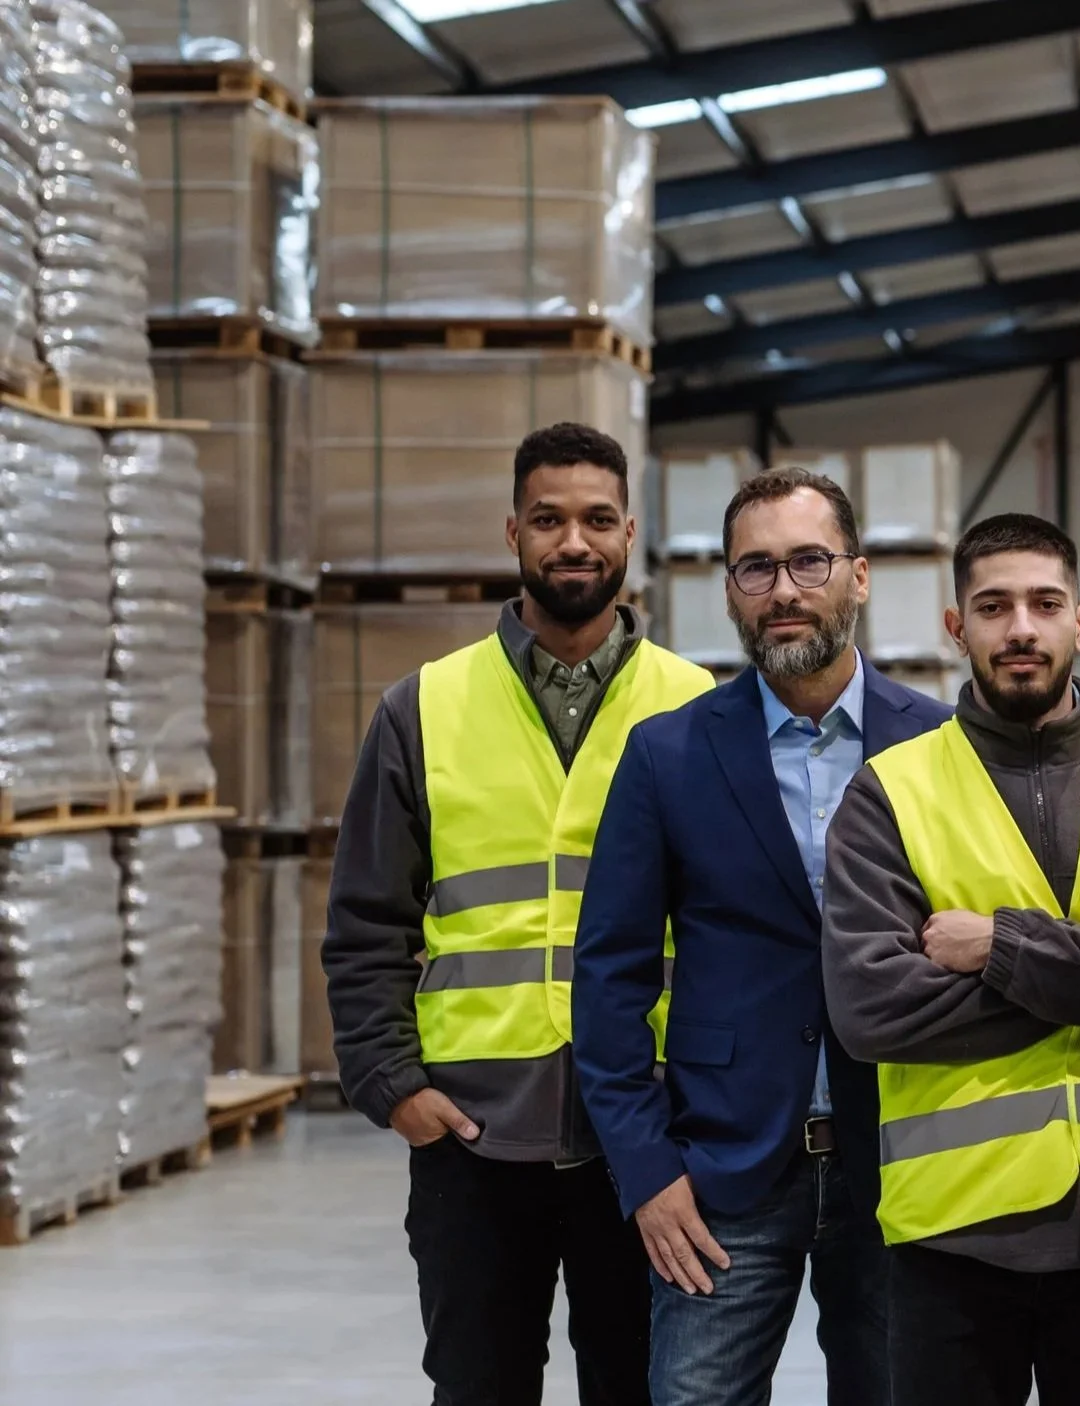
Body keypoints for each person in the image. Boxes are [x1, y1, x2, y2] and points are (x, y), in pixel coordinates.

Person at [323, 422, 717, 1405]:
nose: (572, 541)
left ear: (630, 532)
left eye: (594, 519)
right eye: (548, 519)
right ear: (513, 532)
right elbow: (366, 919)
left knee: (639, 1385)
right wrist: (390, 1082)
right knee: (478, 1386)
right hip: (471, 1135)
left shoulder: (698, 707)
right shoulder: (424, 706)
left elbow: (733, 929)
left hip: (646, 1130)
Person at [573, 468, 952, 1404]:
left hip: (898, 1170)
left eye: (809, 562)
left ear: (859, 577)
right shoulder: (668, 754)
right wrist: (647, 1171)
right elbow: (609, 978)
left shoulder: (937, 746)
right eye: (756, 568)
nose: (784, 590)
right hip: (721, 1176)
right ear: (731, 590)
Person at [821, 513, 1080, 1406]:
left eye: (1045, 603)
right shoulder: (890, 792)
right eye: (995, 606)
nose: (1021, 628)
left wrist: (999, 946)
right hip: (954, 1234)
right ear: (957, 626)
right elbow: (873, 1012)